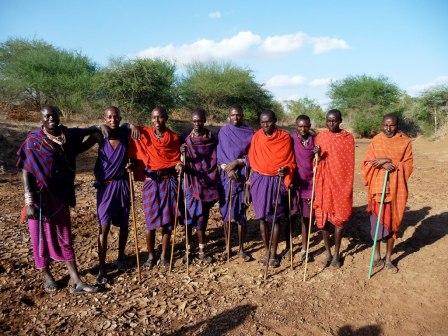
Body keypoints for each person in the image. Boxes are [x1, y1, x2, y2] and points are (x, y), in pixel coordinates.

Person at [17, 105, 98, 293]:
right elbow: (26, 170)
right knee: (40, 238)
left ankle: (76, 279)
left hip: (60, 195)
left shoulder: (66, 135)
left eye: (54, 115)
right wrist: (29, 201)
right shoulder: (34, 141)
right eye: (47, 116)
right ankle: (46, 274)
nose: (52, 118)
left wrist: (95, 133)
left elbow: (79, 143)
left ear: (59, 116)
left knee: (65, 236)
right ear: (42, 120)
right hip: (39, 198)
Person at [84, 106, 137, 284]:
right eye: (109, 117)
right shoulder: (100, 135)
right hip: (105, 188)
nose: (113, 119)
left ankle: (121, 258)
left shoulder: (125, 134)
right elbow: (80, 147)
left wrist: (133, 124)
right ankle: (102, 268)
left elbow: (138, 140)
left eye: (116, 117)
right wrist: (96, 127)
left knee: (123, 224)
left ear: (120, 117)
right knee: (104, 227)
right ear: (104, 118)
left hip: (122, 184)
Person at [128, 106, 183, 268]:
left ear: (166, 118)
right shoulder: (144, 133)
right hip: (151, 182)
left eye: (159, 117)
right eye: (153, 118)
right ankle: (151, 256)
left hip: (168, 181)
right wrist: (132, 125)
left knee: (167, 222)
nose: (156, 121)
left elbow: (176, 158)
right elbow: (127, 129)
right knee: (150, 222)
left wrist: (179, 164)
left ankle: (165, 255)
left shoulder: (173, 138)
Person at [362, 114, 413, 272]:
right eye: (385, 125)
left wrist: (391, 163)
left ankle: (389, 258)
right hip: (378, 190)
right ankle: (377, 256)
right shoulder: (376, 140)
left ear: (397, 125)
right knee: (376, 224)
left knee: (393, 225)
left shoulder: (405, 142)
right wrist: (381, 163)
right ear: (381, 125)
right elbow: (367, 163)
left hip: (396, 189)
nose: (388, 129)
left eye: (392, 126)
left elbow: (408, 165)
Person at [248, 110, 296, 267]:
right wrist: (249, 181)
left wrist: (286, 169)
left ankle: (274, 253)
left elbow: (290, 161)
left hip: (277, 180)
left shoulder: (284, 138)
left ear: (275, 120)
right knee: (262, 217)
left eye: (268, 121)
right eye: (262, 122)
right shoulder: (257, 137)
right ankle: (267, 250)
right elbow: (252, 159)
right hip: (259, 180)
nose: (265, 125)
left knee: (275, 218)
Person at [314, 109, 355, 268]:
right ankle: (328, 252)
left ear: (340, 121)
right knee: (323, 221)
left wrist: (345, 186)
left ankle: (337, 254)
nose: (331, 124)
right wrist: (316, 155)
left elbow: (348, 164)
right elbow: (315, 163)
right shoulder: (321, 137)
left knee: (339, 220)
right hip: (324, 184)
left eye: (334, 121)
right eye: (328, 121)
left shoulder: (347, 138)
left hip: (341, 184)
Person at [181, 108, 219, 263]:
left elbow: (215, 158)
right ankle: (188, 249)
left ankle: (202, 250)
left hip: (207, 181)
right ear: (192, 121)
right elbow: (178, 159)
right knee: (188, 215)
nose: (197, 123)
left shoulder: (211, 138)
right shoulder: (185, 138)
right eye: (194, 121)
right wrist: (181, 152)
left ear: (204, 120)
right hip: (190, 181)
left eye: (200, 120)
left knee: (202, 216)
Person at [217, 105, 254, 261]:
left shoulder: (249, 133)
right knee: (226, 214)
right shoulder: (224, 131)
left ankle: (241, 249)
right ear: (229, 116)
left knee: (241, 214)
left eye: (238, 115)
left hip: (242, 176)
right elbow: (219, 154)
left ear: (242, 115)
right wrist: (227, 168)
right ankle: (227, 248)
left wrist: (239, 162)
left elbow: (253, 155)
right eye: (233, 115)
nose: (236, 118)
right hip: (226, 177)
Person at [286, 115, 318, 261]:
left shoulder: (315, 140)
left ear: (310, 125)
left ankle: (304, 249)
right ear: (296, 126)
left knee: (306, 218)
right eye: (300, 126)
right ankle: (289, 246)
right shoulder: (291, 139)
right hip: (294, 183)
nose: (303, 129)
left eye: (305, 126)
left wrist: (319, 153)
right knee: (291, 216)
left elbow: (321, 160)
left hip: (310, 184)